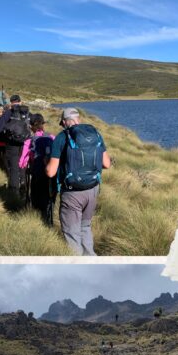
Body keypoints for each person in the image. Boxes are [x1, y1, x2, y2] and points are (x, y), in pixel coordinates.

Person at [47, 108, 111, 255]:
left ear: (64, 122)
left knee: (72, 234)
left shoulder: (61, 137)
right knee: (85, 227)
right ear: (78, 119)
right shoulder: (95, 134)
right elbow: (106, 164)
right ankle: (91, 261)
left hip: (72, 193)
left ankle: (77, 268)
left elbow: (51, 172)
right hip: (93, 190)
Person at [22, 115, 57, 226]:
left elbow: (21, 163)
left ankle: (37, 222)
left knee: (36, 199)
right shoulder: (52, 137)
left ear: (31, 126)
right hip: (51, 174)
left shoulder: (29, 141)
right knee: (49, 199)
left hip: (37, 175)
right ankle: (48, 222)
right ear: (43, 124)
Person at [0, 95, 31, 199]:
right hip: (26, 144)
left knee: (13, 168)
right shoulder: (27, 112)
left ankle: (14, 193)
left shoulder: (8, 113)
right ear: (20, 102)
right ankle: (24, 189)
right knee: (23, 166)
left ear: (11, 103)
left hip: (11, 144)